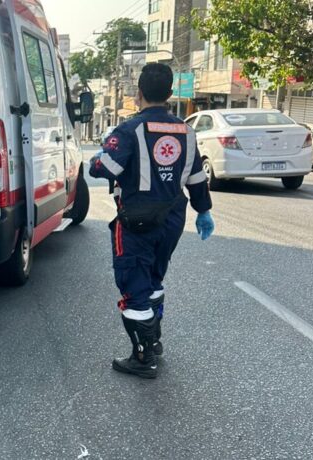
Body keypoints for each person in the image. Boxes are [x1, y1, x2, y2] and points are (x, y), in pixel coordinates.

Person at [89, 63, 214, 379]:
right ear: (170, 93)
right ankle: (154, 341)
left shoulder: (129, 130)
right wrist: (204, 211)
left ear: (139, 93)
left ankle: (143, 358)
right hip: (172, 220)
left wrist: (97, 158)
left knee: (134, 285)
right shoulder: (186, 131)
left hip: (137, 221)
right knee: (155, 278)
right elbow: (197, 178)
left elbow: (104, 169)